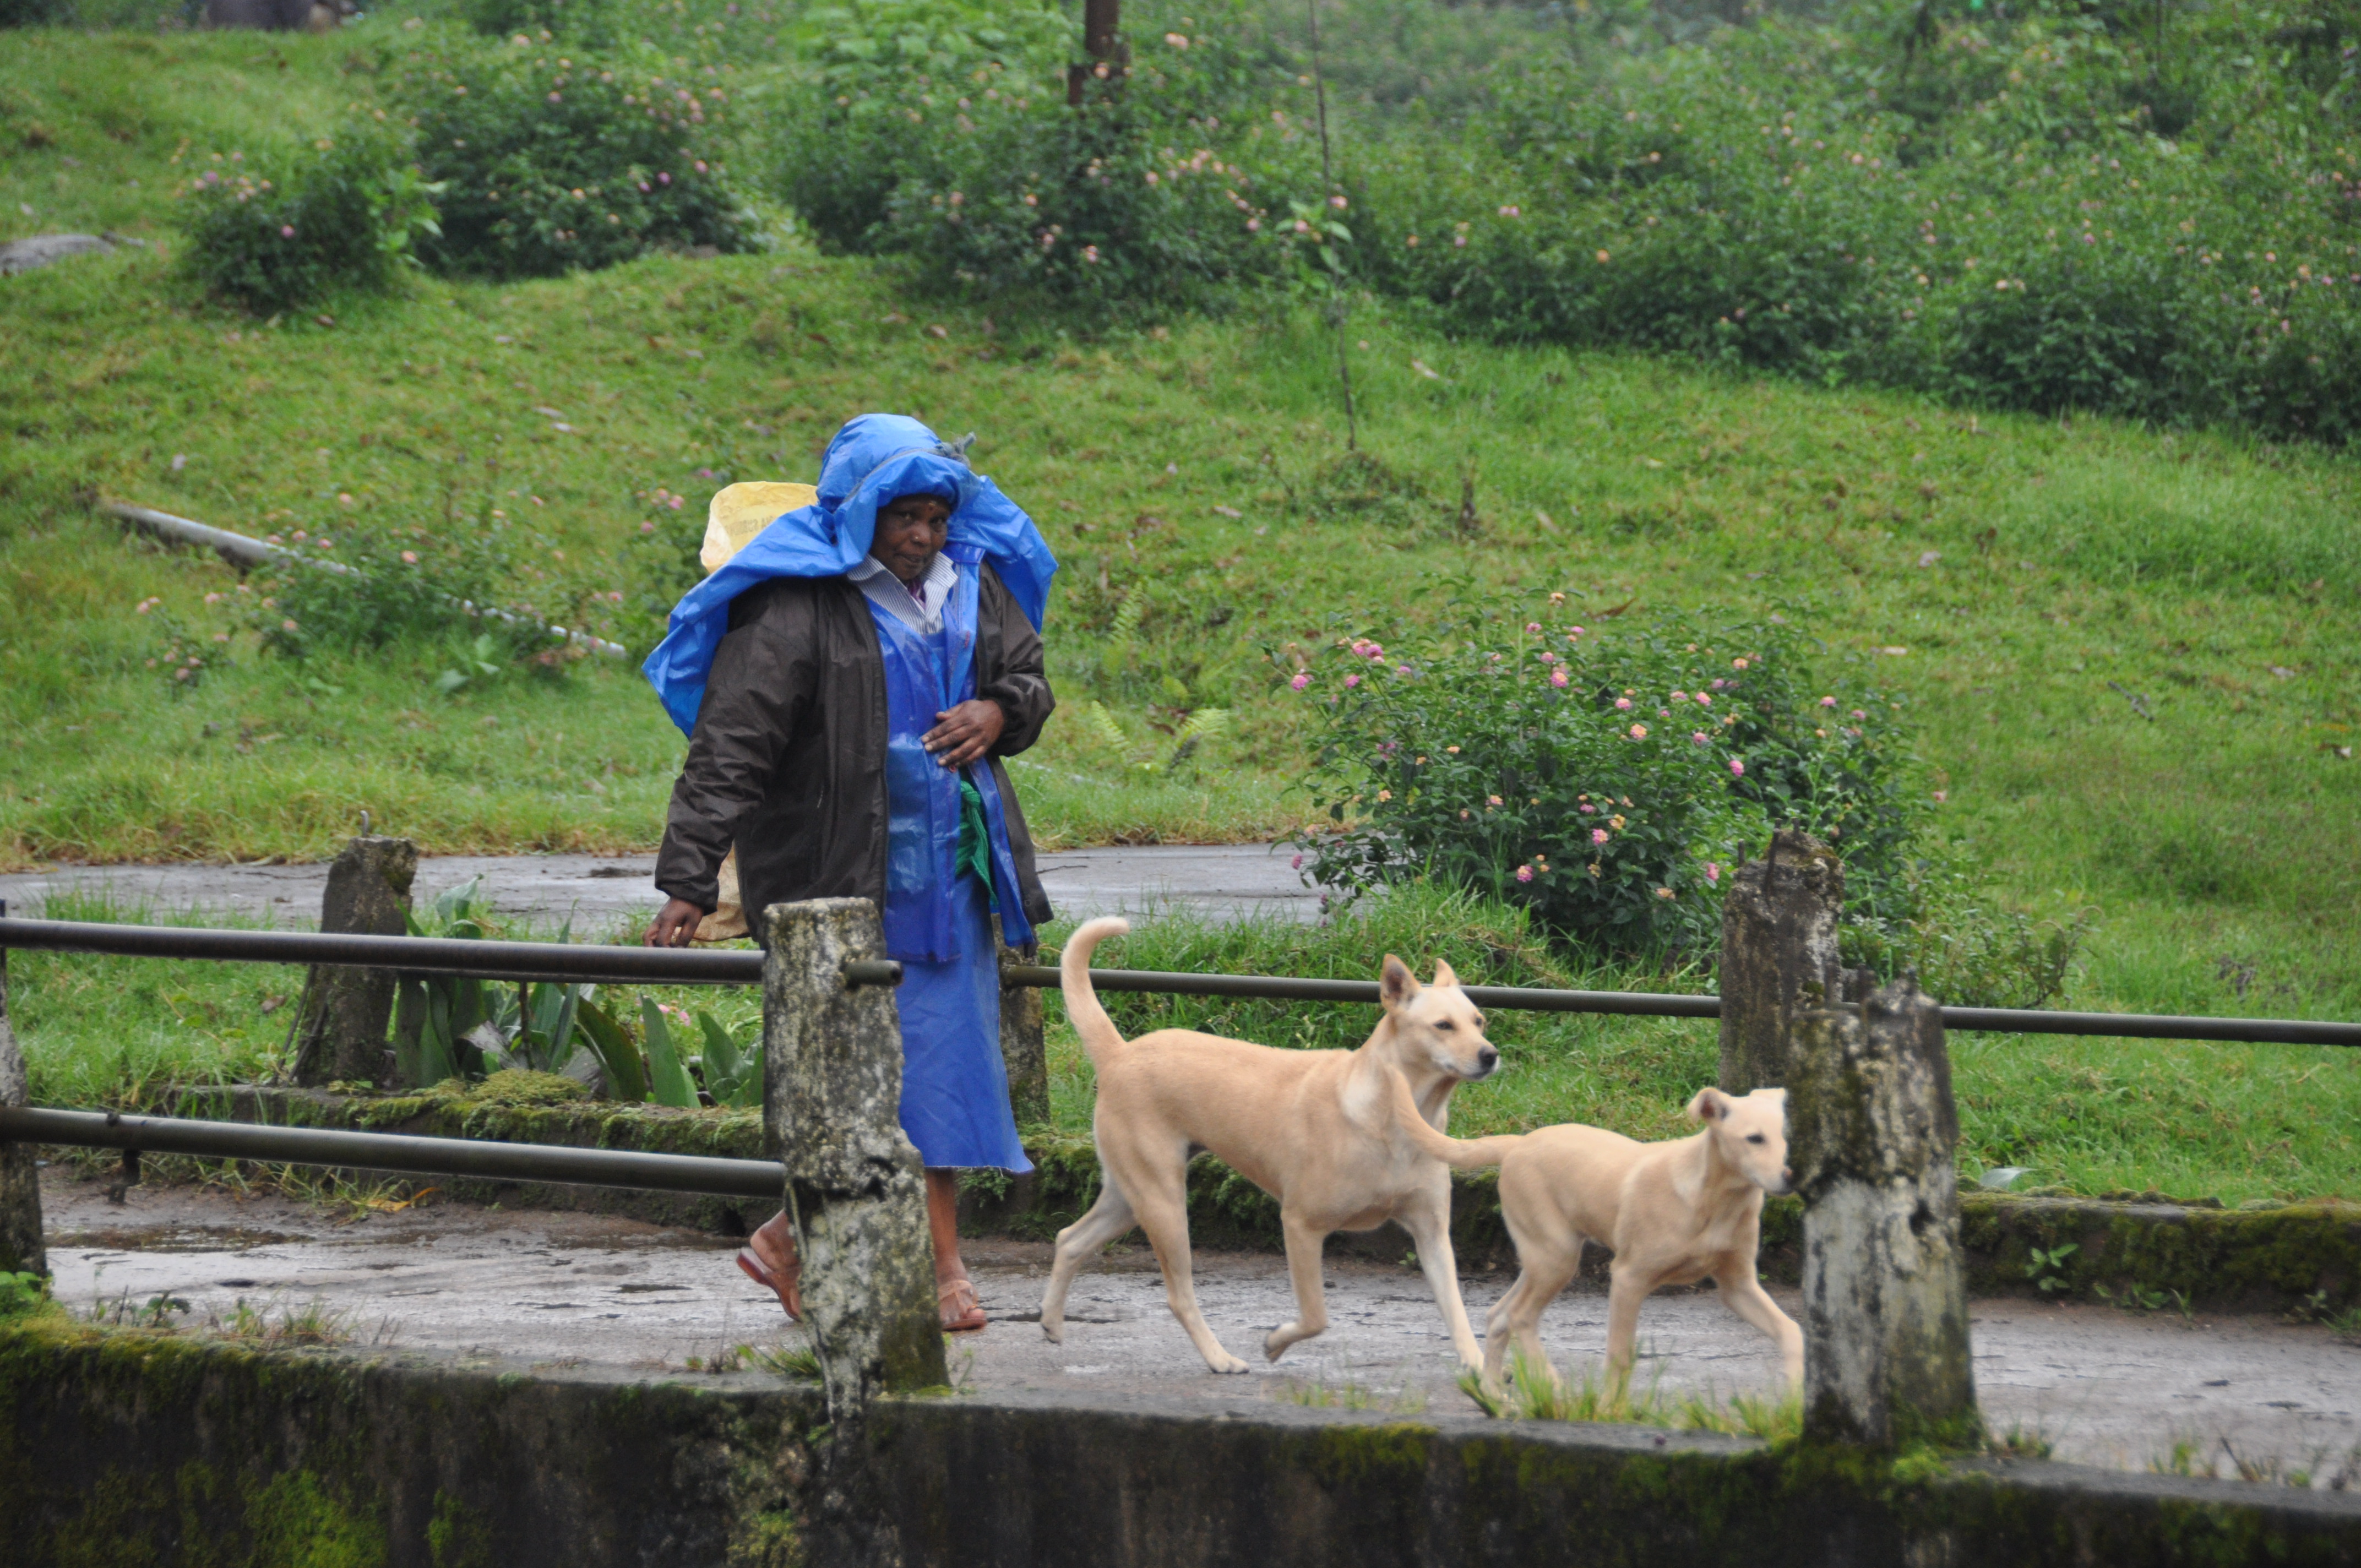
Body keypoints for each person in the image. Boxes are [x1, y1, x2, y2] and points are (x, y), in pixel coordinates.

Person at [640, 413, 1059, 1332]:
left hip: (954, 877)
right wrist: (691, 875)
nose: (922, 536)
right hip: (839, 884)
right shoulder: (795, 605)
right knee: (867, 1081)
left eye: (936, 517)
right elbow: (732, 748)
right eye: (902, 516)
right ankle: (891, 1263)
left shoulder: (973, 585)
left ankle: (859, 1255)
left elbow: (1029, 680)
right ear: (859, 512)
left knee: (942, 1073)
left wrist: (998, 710)